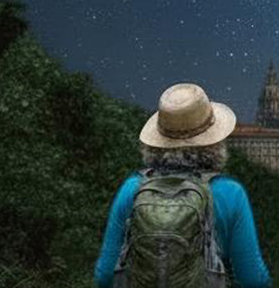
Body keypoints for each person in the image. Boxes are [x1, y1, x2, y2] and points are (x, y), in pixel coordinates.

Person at [94, 83, 270, 288]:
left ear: (157, 141)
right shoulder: (230, 194)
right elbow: (253, 280)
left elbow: (104, 277)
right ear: (214, 142)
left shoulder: (132, 188)